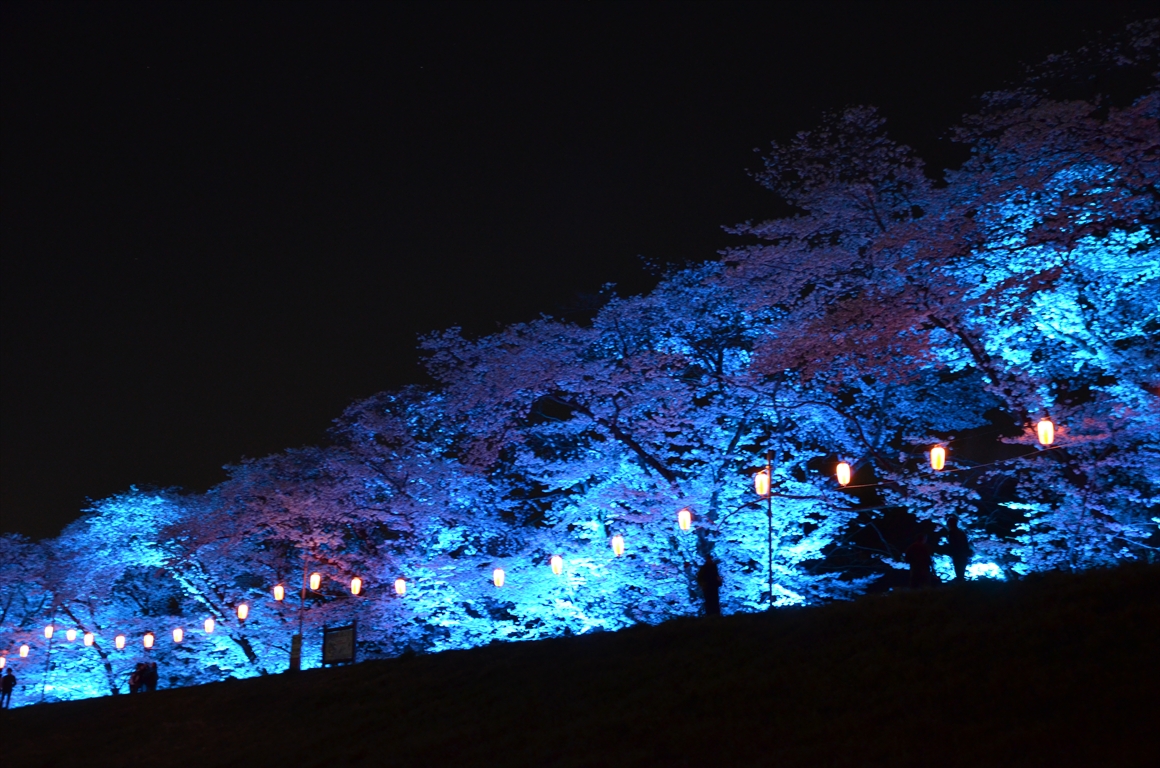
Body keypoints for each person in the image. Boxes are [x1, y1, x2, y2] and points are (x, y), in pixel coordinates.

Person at [944, 515, 972, 582]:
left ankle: (960, 586)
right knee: (962, 571)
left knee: (958, 571)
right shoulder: (961, 532)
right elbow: (966, 544)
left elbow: (952, 545)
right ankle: (962, 585)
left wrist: (950, 552)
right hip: (963, 554)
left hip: (957, 555)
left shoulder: (951, 533)